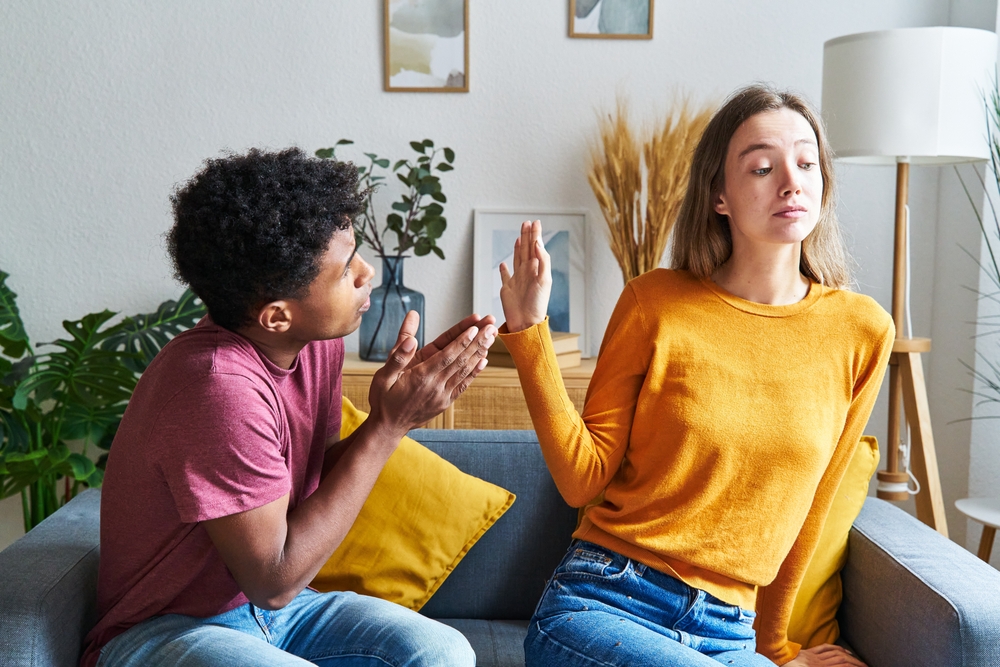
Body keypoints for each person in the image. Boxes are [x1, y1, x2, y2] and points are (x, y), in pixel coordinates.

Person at [498, 85, 893, 667]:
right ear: (719, 197)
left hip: (728, 632)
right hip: (604, 603)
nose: (791, 180)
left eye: (807, 163)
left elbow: (808, 512)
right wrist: (531, 331)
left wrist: (779, 651)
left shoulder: (862, 331)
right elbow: (583, 480)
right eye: (762, 166)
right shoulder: (652, 302)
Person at [80, 147, 496, 667]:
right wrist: (389, 427)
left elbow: (308, 494)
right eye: (346, 271)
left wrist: (391, 411)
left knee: (443, 652)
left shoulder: (316, 343)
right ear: (277, 316)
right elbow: (273, 579)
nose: (367, 272)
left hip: (275, 614)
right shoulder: (217, 388)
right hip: (166, 630)